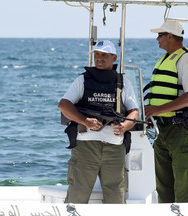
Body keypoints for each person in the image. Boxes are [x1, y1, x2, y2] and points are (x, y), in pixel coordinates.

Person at [58, 40, 139, 204]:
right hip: (85, 146)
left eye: (104, 55)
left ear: (114, 57)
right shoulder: (82, 80)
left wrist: (125, 126)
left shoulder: (123, 83)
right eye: (96, 54)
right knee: (77, 195)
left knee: (116, 197)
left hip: (115, 147)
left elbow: (134, 111)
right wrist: (86, 121)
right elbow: (64, 105)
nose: (99, 58)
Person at [144, 20, 188, 203]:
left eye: (160, 35)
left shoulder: (187, 58)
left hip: (181, 129)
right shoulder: (165, 58)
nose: (157, 39)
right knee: (163, 184)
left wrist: (157, 109)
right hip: (162, 129)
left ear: (170, 35)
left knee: (183, 181)